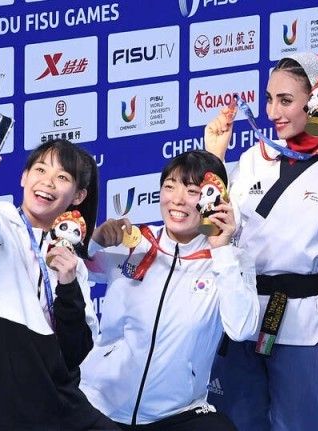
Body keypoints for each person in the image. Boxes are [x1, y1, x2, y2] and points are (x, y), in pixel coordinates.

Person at [204, 52, 318, 431]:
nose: (272, 112)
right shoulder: (254, 157)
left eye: (285, 101)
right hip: (243, 315)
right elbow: (216, 228)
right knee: (234, 425)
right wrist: (214, 158)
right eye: (269, 99)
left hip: (304, 322)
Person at [0, 138, 119, 430]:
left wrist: (68, 286)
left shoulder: (72, 258)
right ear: (23, 177)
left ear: (78, 196)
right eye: (40, 170)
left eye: (62, 177)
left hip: (60, 407)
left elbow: (75, 352)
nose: (48, 182)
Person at [79, 150, 260, 431]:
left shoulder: (230, 261)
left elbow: (242, 328)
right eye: (169, 186)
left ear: (215, 200)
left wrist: (222, 249)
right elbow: (66, 269)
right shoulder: (132, 242)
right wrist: (94, 241)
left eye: (192, 191)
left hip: (177, 414)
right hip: (100, 405)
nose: (177, 199)